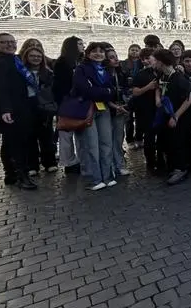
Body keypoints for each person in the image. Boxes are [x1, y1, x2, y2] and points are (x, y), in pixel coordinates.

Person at [0, 33, 37, 190]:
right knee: (17, 143)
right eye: (4, 42)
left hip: (20, 107)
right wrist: (5, 110)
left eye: (12, 42)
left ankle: (11, 174)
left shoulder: (14, 60)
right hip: (9, 110)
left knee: (9, 143)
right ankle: (21, 175)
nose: (9, 45)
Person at [73, 42, 118, 191]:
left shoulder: (104, 70)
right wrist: (104, 92)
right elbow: (85, 90)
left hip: (103, 108)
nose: (98, 54)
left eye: (101, 51)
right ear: (88, 53)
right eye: (94, 51)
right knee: (91, 145)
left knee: (106, 143)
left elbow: (112, 90)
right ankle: (95, 178)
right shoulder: (81, 69)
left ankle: (108, 176)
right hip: (88, 109)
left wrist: (100, 91)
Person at [151, 48, 191, 185]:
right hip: (166, 114)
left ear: (161, 62)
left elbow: (189, 99)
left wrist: (175, 116)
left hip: (178, 117)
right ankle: (172, 167)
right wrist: (158, 98)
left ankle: (180, 169)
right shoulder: (163, 75)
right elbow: (158, 86)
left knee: (178, 142)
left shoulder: (179, 78)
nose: (153, 63)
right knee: (168, 142)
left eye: (155, 60)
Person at [19, 43, 57, 175]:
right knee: (29, 137)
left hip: (44, 106)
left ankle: (49, 162)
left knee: (46, 136)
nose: (36, 58)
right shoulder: (21, 73)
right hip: (27, 105)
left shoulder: (48, 73)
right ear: (26, 57)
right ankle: (32, 165)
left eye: (38, 56)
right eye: (32, 56)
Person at [52, 36, 84, 174]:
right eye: (80, 44)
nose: (83, 46)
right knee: (66, 133)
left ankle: (80, 158)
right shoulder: (62, 63)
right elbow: (60, 85)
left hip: (79, 100)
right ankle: (68, 161)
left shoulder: (81, 61)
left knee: (80, 131)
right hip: (67, 101)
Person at [131, 47, 163, 173]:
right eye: (142, 59)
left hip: (161, 109)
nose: (145, 61)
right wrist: (148, 87)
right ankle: (151, 163)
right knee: (149, 138)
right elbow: (135, 92)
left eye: (148, 58)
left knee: (162, 137)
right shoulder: (140, 74)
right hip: (146, 110)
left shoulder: (162, 71)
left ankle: (161, 160)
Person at [105, 47, 132, 177]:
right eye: (111, 57)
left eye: (115, 56)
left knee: (118, 139)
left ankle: (119, 165)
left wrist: (126, 103)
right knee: (106, 140)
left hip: (120, 109)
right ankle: (108, 166)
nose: (116, 59)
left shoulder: (121, 73)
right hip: (106, 110)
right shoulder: (103, 75)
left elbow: (126, 89)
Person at [123, 44, 143, 148]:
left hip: (140, 93)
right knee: (129, 118)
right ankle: (130, 139)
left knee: (140, 117)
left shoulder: (142, 64)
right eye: (132, 50)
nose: (134, 52)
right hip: (128, 93)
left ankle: (139, 137)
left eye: (137, 50)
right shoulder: (124, 63)